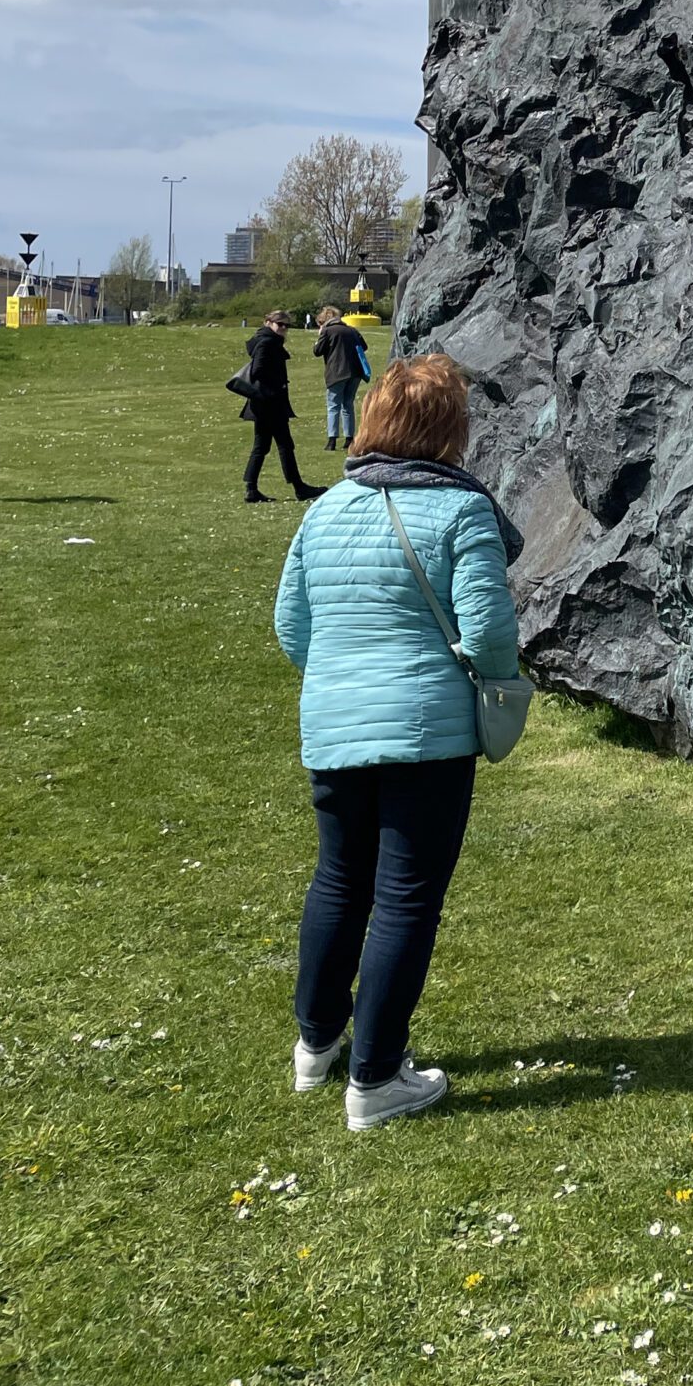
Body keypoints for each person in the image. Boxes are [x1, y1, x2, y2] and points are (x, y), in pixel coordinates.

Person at [273, 353, 522, 1128]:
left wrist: (342, 678)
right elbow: (489, 630)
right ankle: (376, 1078)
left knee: (339, 880)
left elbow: (291, 626)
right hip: (426, 730)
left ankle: (317, 1042)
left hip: (334, 722)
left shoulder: (326, 509)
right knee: (406, 897)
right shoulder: (462, 510)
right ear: (451, 430)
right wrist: (496, 683)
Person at [241, 311, 324, 504]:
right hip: (270, 403)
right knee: (284, 445)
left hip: (264, 404)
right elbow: (258, 371)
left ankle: (251, 488)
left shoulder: (266, 340)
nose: (284, 328)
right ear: (268, 322)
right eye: (280, 324)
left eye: (287, 325)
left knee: (263, 446)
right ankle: (299, 487)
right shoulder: (267, 343)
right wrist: (276, 387)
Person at [312, 304, 371, 450]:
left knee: (333, 406)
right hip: (355, 372)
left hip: (336, 372)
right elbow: (364, 346)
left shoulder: (327, 331)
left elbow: (317, 351)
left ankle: (332, 440)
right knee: (348, 405)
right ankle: (349, 439)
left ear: (324, 320)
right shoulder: (352, 330)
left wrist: (320, 336)